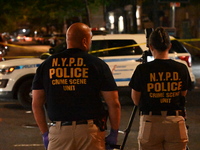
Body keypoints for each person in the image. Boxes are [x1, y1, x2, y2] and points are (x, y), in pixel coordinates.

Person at [32, 22, 121, 150]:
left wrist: (45, 133)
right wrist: (114, 133)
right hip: (90, 133)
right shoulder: (97, 64)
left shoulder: (47, 65)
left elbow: (36, 103)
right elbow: (114, 103)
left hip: (59, 132)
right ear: (85, 40)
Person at [129, 27, 192, 150]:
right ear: (170, 46)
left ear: (151, 46)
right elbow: (183, 94)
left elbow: (136, 100)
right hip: (175, 122)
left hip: (150, 122)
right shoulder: (181, 68)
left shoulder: (143, 70)